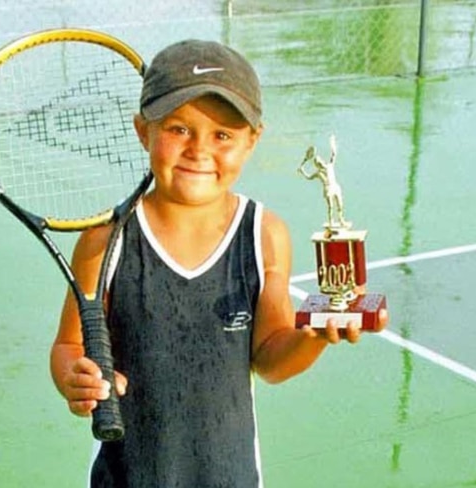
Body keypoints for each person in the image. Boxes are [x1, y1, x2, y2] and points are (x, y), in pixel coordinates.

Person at [50, 39, 388, 487]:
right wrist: (74, 377)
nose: (199, 150)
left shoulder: (264, 234)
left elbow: (269, 358)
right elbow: (69, 346)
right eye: (178, 129)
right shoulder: (104, 241)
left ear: (252, 141)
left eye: (223, 135)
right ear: (142, 130)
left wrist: (315, 335)